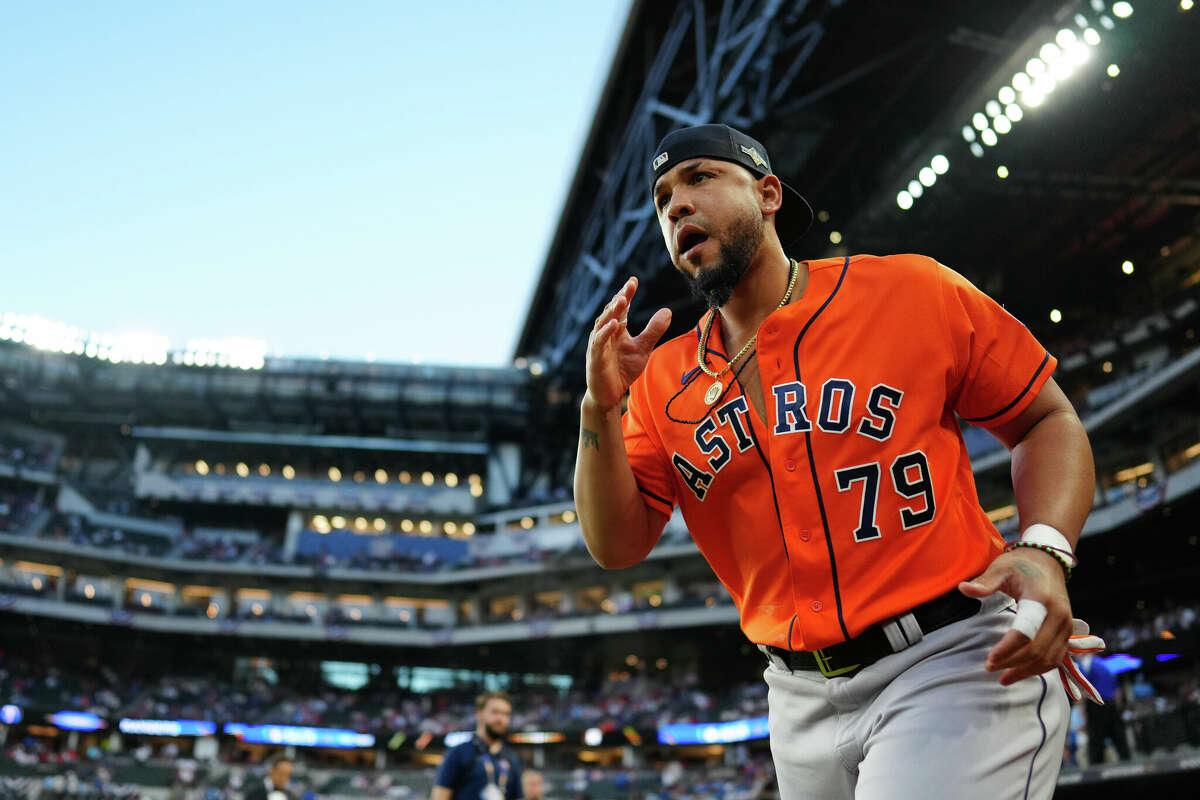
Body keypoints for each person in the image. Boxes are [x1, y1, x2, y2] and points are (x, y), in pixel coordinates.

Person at [575, 123, 1099, 799]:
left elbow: (1045, 418)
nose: (675, 204)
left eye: (700, 178)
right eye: (663, 196)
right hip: (793, 700)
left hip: (951, 660)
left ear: (767, 195)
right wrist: (597, 411)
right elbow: (615, 546)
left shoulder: (910, 289)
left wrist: (1044, 548)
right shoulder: (659, 379)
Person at [433, 691, 523, 800]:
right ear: (479, 714)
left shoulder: (511, 758)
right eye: (495, 712)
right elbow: (440, 796)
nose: (501, 719)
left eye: (506, 714)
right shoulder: (458, 753)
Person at [1077, 654, 1130, 764]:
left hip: (1096, 705)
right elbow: (1117, 691)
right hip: (1111, 705)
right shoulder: (1104, 664)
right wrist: (1116, 707)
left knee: (1096, 740)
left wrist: (1081, 711)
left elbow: (1082, 689)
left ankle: (1096, 771)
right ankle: (1128, 763)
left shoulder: (1083, 665)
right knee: (1119, 737)